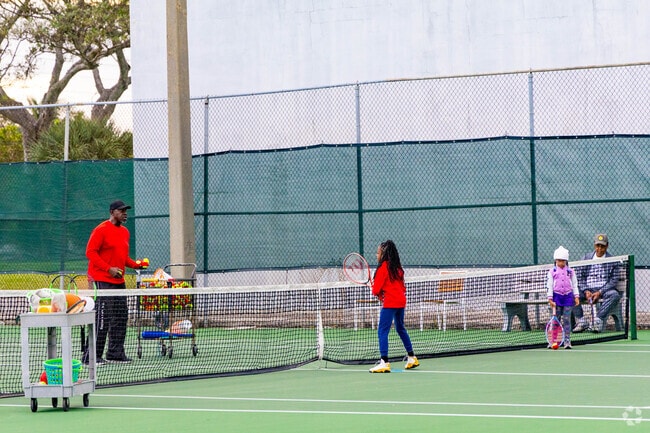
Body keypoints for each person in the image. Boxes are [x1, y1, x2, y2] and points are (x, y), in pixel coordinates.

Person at [84, 200, 147, 364]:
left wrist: (136, 264)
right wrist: (108, 269)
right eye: (122, 211)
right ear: (112, 212)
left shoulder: (125, 232)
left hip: (119, 282)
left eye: (126, 211)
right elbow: (90, 252)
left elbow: (122, 257)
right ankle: (91, 356)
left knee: (120, 317)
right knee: (102, 318)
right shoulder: (101, 230)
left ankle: (115, 353)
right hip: (102, 281)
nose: (125, 213)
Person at [369, 240, 419, 373]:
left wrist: (375, 289)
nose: (376, 255)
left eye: (378, 252)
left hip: (391, 302)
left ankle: (384, 361)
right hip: (401, 301)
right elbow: (401, 287)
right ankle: (412, 357)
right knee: (400, 328)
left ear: (384, 253)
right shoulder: (397, 267)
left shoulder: (383, 268)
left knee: (382, 331)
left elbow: (376, 290)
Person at [573, 233, 620, 333]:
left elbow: (613, 280)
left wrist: (600, 292)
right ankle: (582, 322)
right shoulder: (586, 258)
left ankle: (597, 321)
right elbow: (579, 277)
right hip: (587, 289)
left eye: (602, 246)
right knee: (571, 295)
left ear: (607, 246)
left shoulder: (612, 260)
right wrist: (586, 290)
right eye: (598, 245)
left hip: (603, 289)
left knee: (615, 295)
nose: (599, 248)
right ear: (594, 245)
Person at [546, 246, 579, 349]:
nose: (561, 263)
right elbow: (549, 285)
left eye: (563, 261)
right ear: (555, 260)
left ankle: (567, 341)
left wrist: (576, 296)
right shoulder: (552, 272)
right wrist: (550, 298)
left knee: (567, 320)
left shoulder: (571, 272)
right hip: (556, 298)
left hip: (568, 298)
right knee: (556, 321)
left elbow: (574, 284)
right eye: (559, 260)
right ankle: (553, 341)